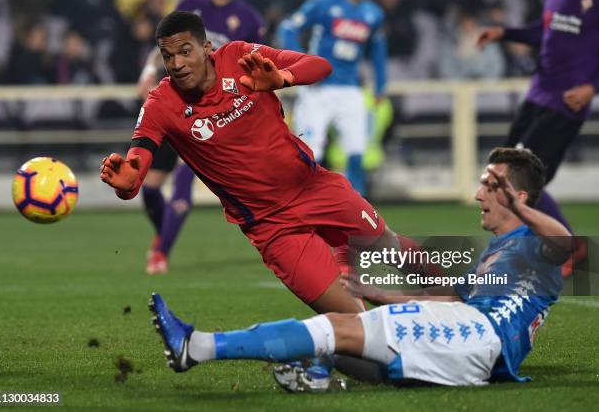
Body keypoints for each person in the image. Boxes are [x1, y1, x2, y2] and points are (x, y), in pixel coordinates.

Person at [148, 147, 572, 390]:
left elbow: (566, 245)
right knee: (344, 335)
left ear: (517, 196)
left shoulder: (535, 246)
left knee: (336, 328)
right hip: (467, 332)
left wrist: (519, 209)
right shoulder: (496, 254)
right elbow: (448, 298)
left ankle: (197, 347)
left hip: (478, 337)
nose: (480, 191)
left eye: (490, 184)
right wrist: (378, 292)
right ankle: (316, 374)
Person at [101, 11, 434, 317]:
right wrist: (128, 181)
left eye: (185, 51)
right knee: (355, 322)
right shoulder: (161, 104)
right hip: (271, 227)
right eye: (168, 56)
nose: (176, 63)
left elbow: (318, 65)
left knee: (391, 249)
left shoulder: (238, 57)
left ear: (206, 47)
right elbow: (136, 165)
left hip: (314, 187)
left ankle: (463, 303)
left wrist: (282, 79)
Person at [136, 0, 265, 274]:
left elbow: (253, 66)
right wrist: (147, 70)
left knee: (186, 173)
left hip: (215, 109)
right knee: (150, 188)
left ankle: (160, 253)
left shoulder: (250, 20)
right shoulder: (189, 6)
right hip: (176, 102)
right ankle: (163, 232)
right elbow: (165, 47)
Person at [477, 0, 598, 277]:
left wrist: (592, 88)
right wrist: (504, 32)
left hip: (567, 102)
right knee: (504, 167)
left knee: (525, 178)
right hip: (538, 93)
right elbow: (544, 31)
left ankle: (567, 245)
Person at [278, 0, 387, 196]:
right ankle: (305, 207)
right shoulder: (323, 4)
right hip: (317, 90)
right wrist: (299, 65)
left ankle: (359, 215)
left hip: (351, 91)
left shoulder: (374, 14)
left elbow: (378, 50)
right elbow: (288, 27)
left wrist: (381, 84)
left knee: (357, 154)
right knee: (310, 153)